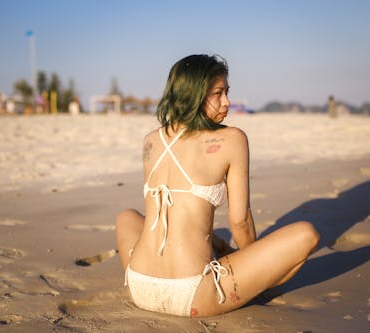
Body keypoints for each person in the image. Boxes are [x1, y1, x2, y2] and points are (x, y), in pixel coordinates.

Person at [115, 54, 319, 317]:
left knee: (127, 217)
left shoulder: (151, 140)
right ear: (193, 94)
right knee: (307, 233)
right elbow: (240, 221)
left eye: (227, 92)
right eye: (218, 93)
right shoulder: (231, 139)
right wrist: (250, 261)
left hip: (139, 284)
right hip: (192, 293)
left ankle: (213, 253)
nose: (227, 102)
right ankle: (256, 287)